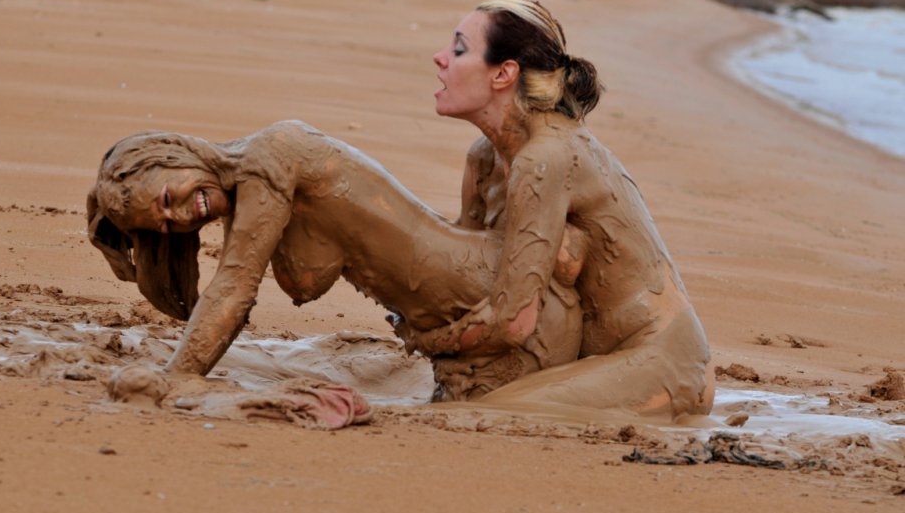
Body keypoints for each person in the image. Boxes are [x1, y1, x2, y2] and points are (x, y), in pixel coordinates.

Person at [87, 123, 584, 393]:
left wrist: (177, 378)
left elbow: (234, 289)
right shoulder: (247, 199)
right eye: (165, 225)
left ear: (175, 158)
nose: (180, 215)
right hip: (467, 338)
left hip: (511, 318)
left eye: (167, 197)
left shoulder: (268, 161)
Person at [395, 0, 713, 416]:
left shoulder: (546, 158)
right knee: (477, 401)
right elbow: (466, 271)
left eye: (458, 49)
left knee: (489, 412)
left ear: (504, 73)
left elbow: (514, 321)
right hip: (585, 362)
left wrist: (424, 341)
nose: (440, 58)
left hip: (664, 364)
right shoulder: (484, 156)